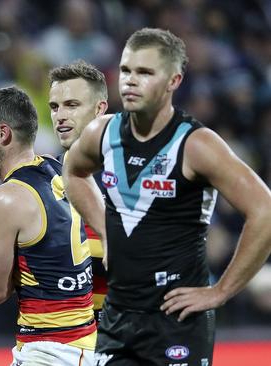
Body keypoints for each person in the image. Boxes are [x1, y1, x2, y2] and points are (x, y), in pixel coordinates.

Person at [64, 28, 271, 365]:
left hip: (176, 323)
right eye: (127, 70)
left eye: (145, 73)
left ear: (174, 81)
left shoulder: (197, 145)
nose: (130, 81)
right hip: (117, 316)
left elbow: (265, 210)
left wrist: (222, 291)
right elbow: (73, 172)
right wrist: (104, 229)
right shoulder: (100, 132)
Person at [0, 86, 96, 365]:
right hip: (79, 344)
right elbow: (28, 240)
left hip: (51, 349)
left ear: (3, 134)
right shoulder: (53, 169)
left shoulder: (6, 198)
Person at [48, 60, 109, 322]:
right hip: (61, 342)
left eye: (72, 105)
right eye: (54, 107)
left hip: (127, 336)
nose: (60, 115)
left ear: (99, 109)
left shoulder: (132, 175)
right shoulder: (40, 178)